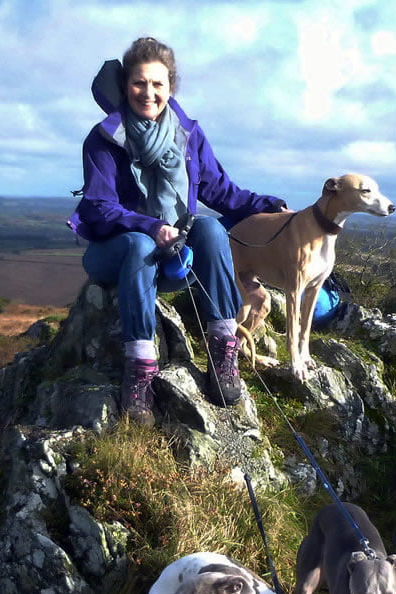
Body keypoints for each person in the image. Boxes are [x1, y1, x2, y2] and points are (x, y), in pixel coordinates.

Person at [69, 36, 287, 421]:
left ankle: (222, 349)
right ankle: (140, 369)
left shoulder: (188, 135)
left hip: (173, 258)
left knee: (211, 230)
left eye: (157, 84)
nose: (148, 93)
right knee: (137, 244)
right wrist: (150, 226)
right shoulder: (103, 139)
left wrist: (266, 204)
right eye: (139, 83)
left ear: (170, 87)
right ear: (125, 86)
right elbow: (98, 208)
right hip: (115, 256)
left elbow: (220, 190)